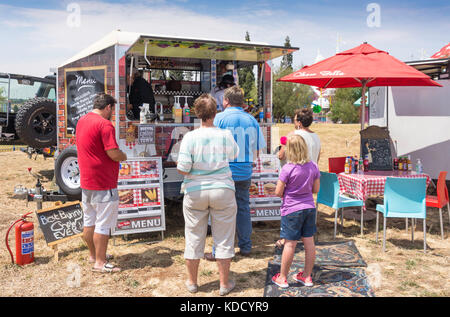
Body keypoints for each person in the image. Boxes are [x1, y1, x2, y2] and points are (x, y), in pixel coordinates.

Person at [177, 93, 240, 296]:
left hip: (195, 191)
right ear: (216, 112)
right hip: (223, 189)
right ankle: (223, 284)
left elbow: (183, 168)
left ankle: (193, 283)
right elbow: (234, 155)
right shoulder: (225, 135)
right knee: (224, 237)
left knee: (194, 236)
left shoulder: (189, 137)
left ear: (197, 113)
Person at [210, 85, 266, 258]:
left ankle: (218, 250)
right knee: (243, 208)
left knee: (220, 211)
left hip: (224, 171)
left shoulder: (219, 118)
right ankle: (246, 246)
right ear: (242, 102)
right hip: (244, 171)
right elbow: (259, 150)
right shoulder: (252, 120)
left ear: (225, 101)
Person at [76, 93, 127, 273]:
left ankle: (94, 255)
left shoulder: (82, 120)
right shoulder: (105, 124)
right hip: (104, 181)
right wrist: (124, 156)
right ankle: (100, 262)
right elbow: (113, 152)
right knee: (103, 224)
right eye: (113, 109)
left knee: (89, 221)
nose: (113, 113)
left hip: (87, 180)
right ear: (108, 108)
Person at [271, 134, 320, 288]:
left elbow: (278, 192)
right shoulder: (313, 166)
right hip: (309, 208)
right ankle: (306, 276)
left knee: (290, 244)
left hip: (292, 209)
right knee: (309, 242)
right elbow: (315, 189)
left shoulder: (287, 168)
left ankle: (283, 277)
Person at [276, 108, 321, 248]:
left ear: (299, 122)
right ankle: (304, 235)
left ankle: (286, 238)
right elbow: (318, 157)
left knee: (291, 208)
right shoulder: (316, 137)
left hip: (294, 174)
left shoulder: (294, 135)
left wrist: (279, 149)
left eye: (295, 120)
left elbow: (281, 155)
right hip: (311, 175)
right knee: (306, 208)